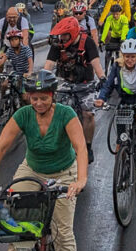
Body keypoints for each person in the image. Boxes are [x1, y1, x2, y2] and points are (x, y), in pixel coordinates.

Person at [0, 71, 86, 251]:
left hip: (63, 173)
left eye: (44, 98)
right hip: (32, 169)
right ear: (28, 97)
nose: (38, 103)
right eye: (34, 98)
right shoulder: (23, 115)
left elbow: (80, 148)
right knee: (15, 211)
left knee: (63, 235)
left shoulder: (66, 115)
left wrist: (80, 180)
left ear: (52, 96)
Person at [45, 16, 105, 163]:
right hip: (64, 82)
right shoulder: (57, 44)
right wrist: (41, 80)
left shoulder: (87, 42)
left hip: (85, 84)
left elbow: (96, 63)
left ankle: (88, 146)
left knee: (88, 114)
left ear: (72, 33)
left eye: (65, 35)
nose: (62, 38)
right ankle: (59, 144)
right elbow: (48, 66)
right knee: (57, 113)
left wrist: (102, 78)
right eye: (61, 35)